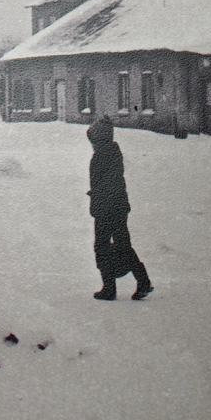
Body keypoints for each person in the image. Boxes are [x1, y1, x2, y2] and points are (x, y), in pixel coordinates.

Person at [86, 116, 153, 300]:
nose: (91, 144)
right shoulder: (113, 152)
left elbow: (106, 183)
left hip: (107, 208)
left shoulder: (102, 155)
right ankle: (143, 280)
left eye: (92, 140)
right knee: (123, 245)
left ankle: (109, 288)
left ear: (99, 138)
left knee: (101, 246)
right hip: (117, 206)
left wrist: (97, 198)